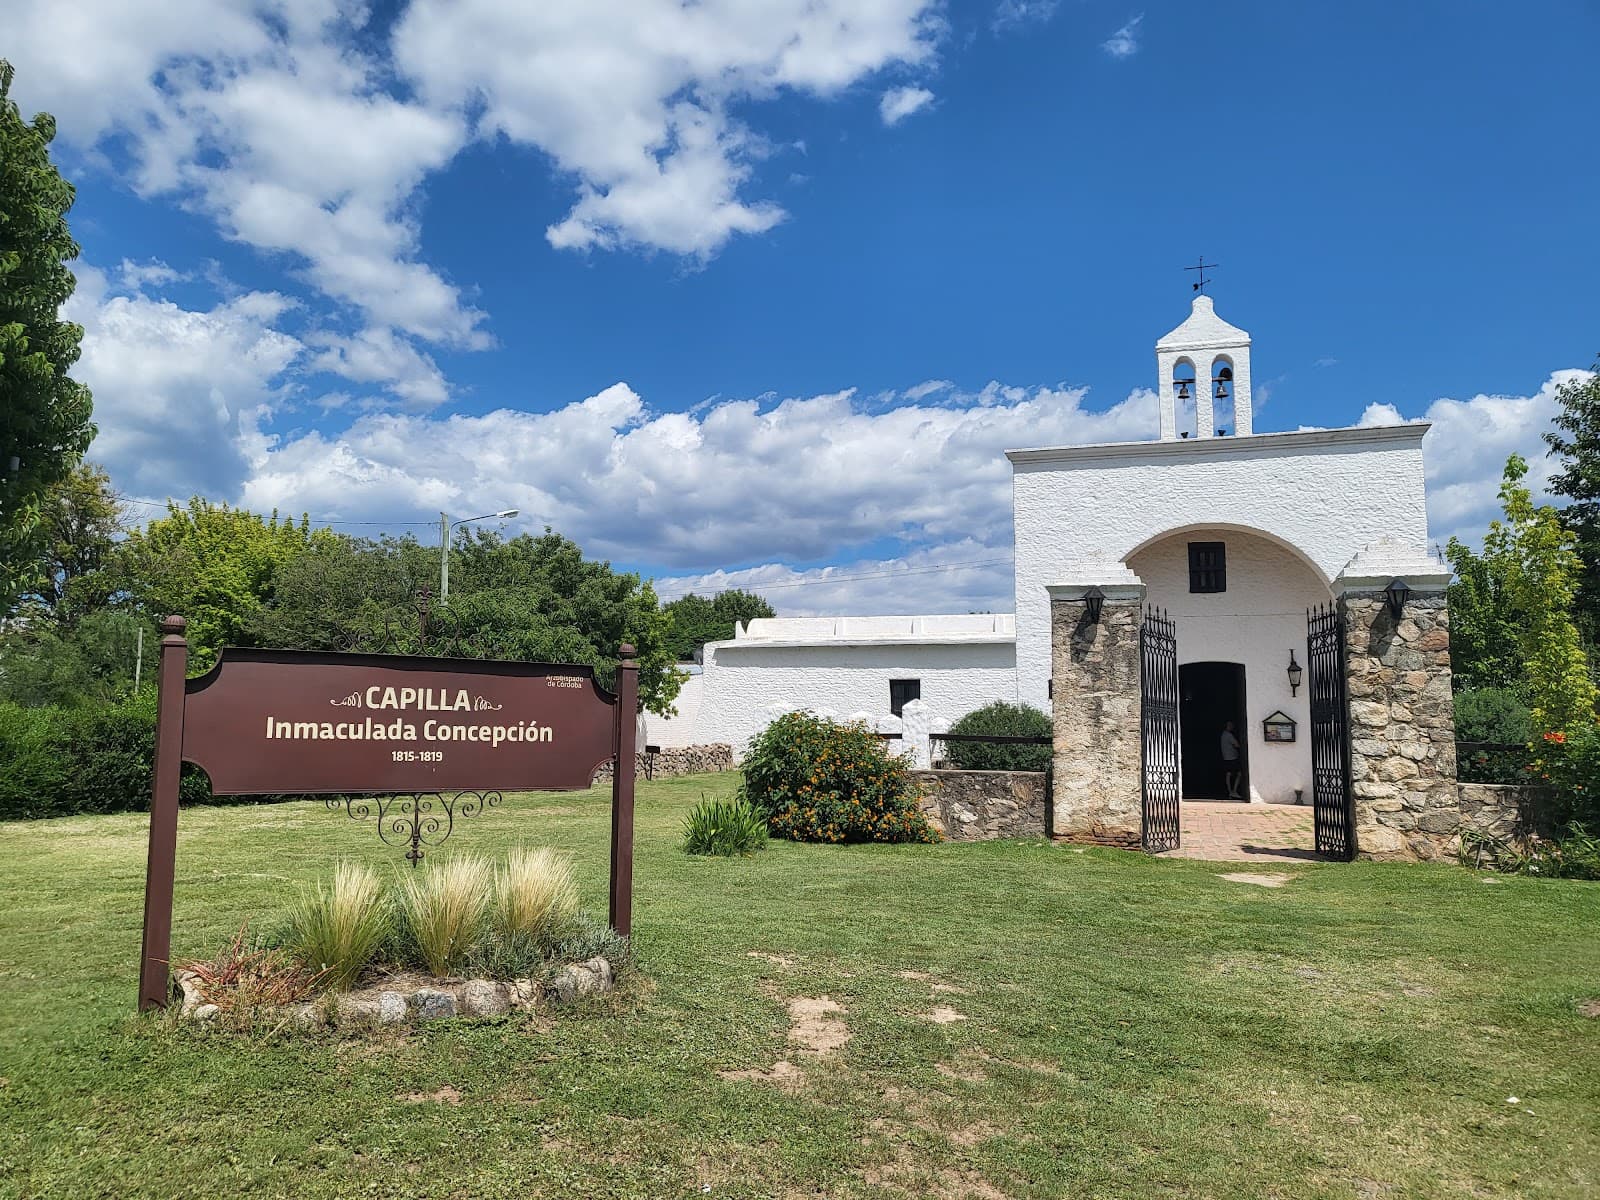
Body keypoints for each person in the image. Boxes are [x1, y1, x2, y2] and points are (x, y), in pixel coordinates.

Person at [1220, 720, 1242, 800]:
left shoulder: (1223, 734)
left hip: (1226, 757)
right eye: (1230, 725)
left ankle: (1229, 792)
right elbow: (1237, 745)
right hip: (1232, 757)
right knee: (1239, 774)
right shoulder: (1229, 735)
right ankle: (1234, 791)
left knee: (1228, 774)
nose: (1232, 726)